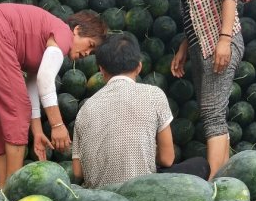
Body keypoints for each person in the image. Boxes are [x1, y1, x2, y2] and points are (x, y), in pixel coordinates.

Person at [0, 4, 108, 188]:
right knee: (18, 110)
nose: (87, 53)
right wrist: (57, 125)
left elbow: (33, 84)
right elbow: (45, 79)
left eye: (91, 53)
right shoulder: (63, 32)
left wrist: (37, 132)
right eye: (90, 45)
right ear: (77, 30)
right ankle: (11, 190)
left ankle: (3, 187)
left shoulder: (45, 42)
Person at [72, 33, 210, 188]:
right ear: (139, 67)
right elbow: (167, 159)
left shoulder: (85, 108)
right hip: (141, 193)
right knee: (200, 164)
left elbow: (77, 172)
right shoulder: (154, 95)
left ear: (101, 70)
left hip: (99, 200)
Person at [165, 0, 244, 179]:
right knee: (213, 115)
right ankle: (223, 180)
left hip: (218, 42)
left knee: (212, 117)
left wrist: (224, 40)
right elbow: (199, 13)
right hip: (204, 43)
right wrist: (184, 48)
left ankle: (211, 186)